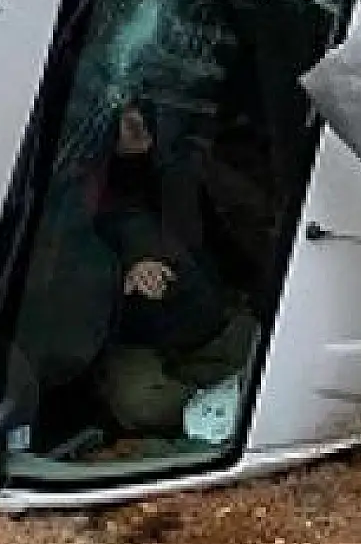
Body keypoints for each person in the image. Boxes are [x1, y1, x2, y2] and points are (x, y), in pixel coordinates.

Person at [91, 99, 255, 439]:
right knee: (143, 403)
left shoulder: (185, 164)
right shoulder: (80, 180)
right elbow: (124, 220)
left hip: (203, 320)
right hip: (130, 339)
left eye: (137, 113)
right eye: (121, 116)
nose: (133, 124)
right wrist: (138, 262)